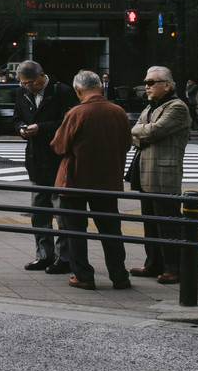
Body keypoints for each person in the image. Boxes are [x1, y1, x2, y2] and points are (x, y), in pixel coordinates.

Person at [50, 71, 135, 291]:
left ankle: (84, 276)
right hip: (108, 180)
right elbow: (127, 144)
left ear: (78, 90)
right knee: (111, 229)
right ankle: (119, 276)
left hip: (75, 181)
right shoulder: (118, 112)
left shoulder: (76, 113)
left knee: (76, 229)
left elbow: (59, 146)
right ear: (99, 86)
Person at [129, 66, 191, 286]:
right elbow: (135, 133)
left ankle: (173, 268)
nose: (146, 86)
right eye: (145, 82)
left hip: (165, 174)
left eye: (151, 82)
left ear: (167, 84)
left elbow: (154, 131)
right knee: (150, 223)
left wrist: (142, 133)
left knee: (168, 223)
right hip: (146, 172)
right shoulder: (150, 107)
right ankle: (153, 263)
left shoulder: (177, 107)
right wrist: (143, 133)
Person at [16, 61, 75, 273]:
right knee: (39, 211)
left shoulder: (62, 91)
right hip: (35, 158)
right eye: (23, 84)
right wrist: (21, 129)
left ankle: (65, 258)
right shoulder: (22, 93)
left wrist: (40, 128)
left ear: (42, 75)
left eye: (30, 83)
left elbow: (68, 122)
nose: (27, 87)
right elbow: (17, 118)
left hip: (58, 157)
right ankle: (44, 255)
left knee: (61, 211)